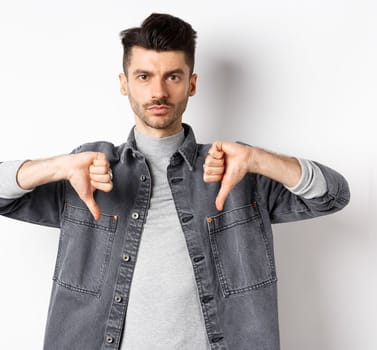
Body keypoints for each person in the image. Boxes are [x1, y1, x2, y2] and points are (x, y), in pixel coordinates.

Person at [0, 13, 349, 349]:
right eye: (143, 76)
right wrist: (57, 166)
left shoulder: (235, 170)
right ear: (124, 84)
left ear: (191, 84)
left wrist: (260, 159)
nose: (158, 92)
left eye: (172, 76)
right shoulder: (88, 170)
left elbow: (332, 195)